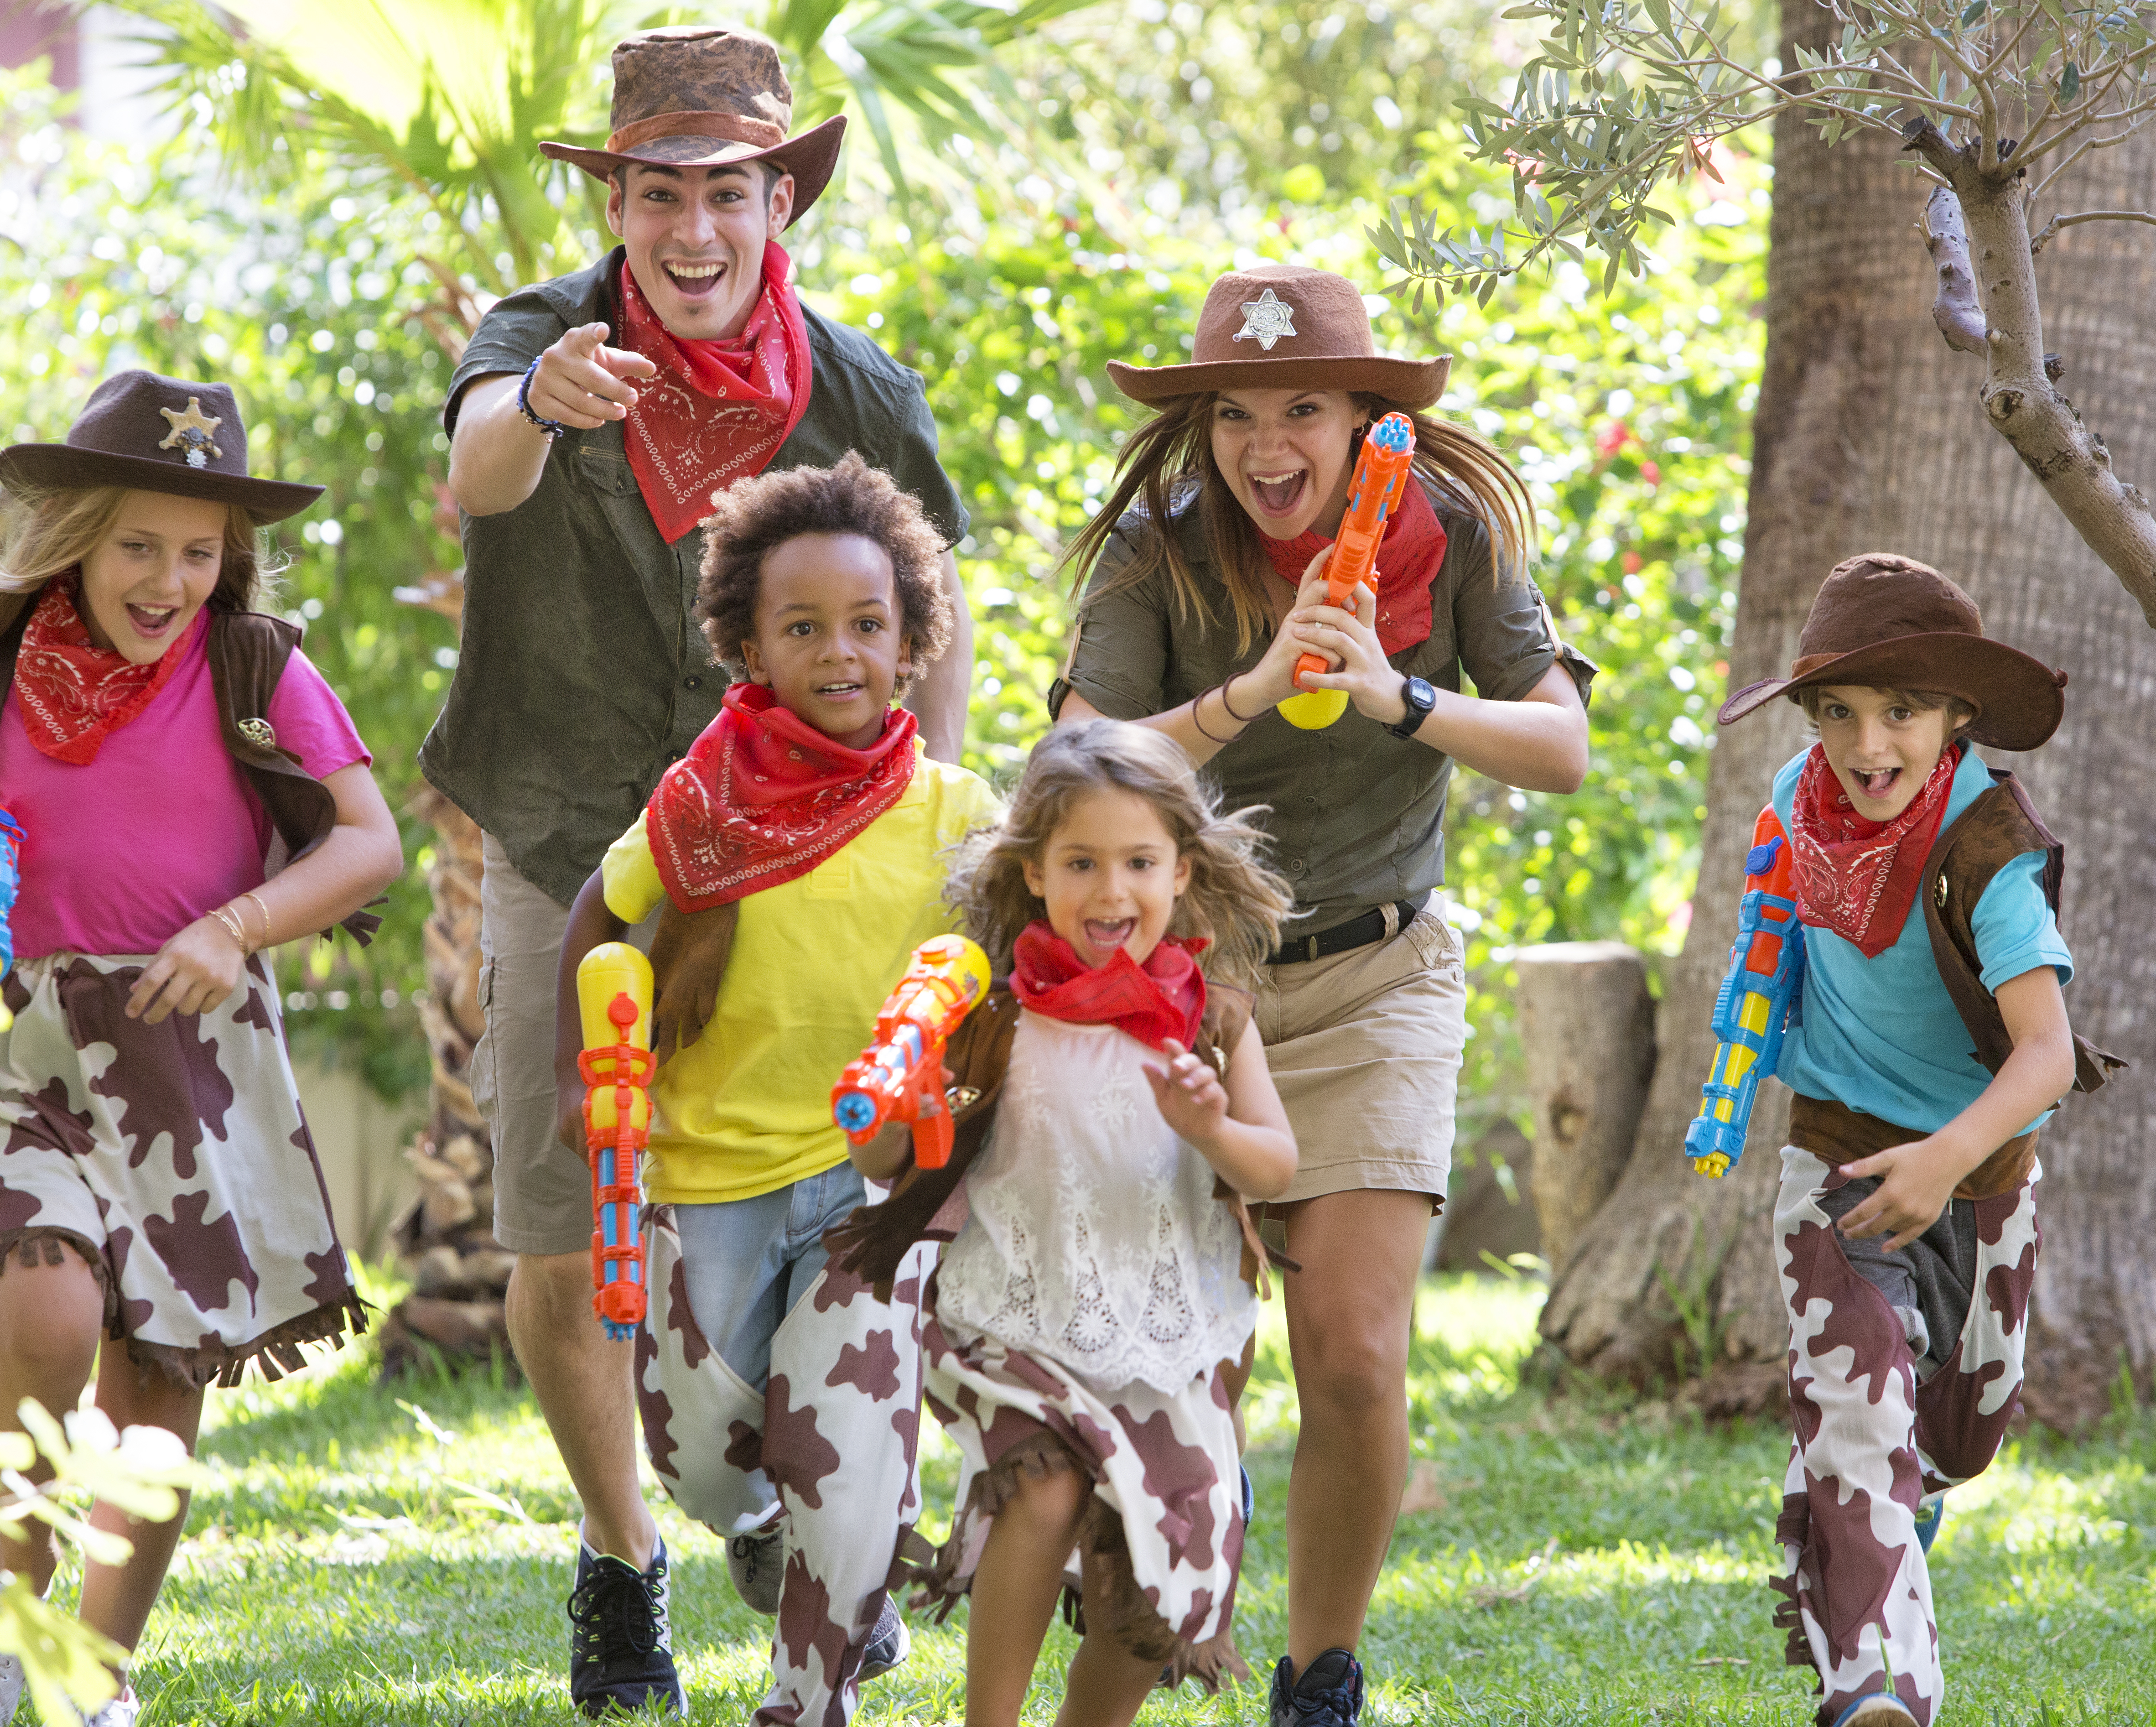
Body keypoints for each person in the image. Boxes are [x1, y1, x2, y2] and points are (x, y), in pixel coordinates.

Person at [427, 22, 976, 1714]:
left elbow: (931, 597)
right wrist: (540, 399)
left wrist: (933, 812)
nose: (690, 228)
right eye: (658, 191)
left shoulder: (854, 381)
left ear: (770, 198)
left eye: (724, 191)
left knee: (826, 1190)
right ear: (620, 198)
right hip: (566, 830)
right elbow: (475, 470)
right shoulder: (541, 337)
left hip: (812, 843)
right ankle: (623, 1556)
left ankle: (786, 1511)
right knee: (560, 1223)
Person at [1051, 263, 1593, 1725]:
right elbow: (1073, 771)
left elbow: (1560, 748)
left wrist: (1398, 696)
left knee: (1350, 1355)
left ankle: (1318, 1677)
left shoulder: (1454, 533)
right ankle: (1133, 1601)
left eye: (1303, 408)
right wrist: (1247, 691)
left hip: (1375, 972)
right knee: (1154, 1360)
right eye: (1236, 414)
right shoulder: (1158, 556)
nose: (1266, 444)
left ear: (1366, 418)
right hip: (1174, 987)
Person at [0, 371, 402, 1727]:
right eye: (138, 546)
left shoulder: (256, 669)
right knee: (47, 1310)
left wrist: (238, 927)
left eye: (199, 551)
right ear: (79, 540)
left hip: (192, 1045)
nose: (169, 580)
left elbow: (367, 841)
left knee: (162, 1364)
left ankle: (95, 1680)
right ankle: (10, 1595)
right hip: (16, 1041)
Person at [550, 454, 1000, 1727]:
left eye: (868, 624)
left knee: (846, 1465)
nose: (839, 652)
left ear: (913, 639)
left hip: (878, 1186)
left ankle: (811, 1692)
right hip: (709, 1176)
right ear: (746, 641)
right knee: (698, 1458)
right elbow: (598, 917)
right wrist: (591, 1070)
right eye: (802, 627)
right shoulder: (698, 801)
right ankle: (754, 1529)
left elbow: (1015, 960)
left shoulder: (954, 813)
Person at [1714, 553, 2116, 1727]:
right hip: (1837, 1152)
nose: (1864, 741)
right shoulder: (1795, 802)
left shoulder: (1991, 849)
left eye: (1900, 710)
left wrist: (1947, 1164)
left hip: (1984, 1164)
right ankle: (1878, 1687)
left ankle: (1861, 1501)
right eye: (1837, 711)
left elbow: (2045, 1055)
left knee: (1959, 1433)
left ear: (1955, 719)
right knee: (1860, 1408)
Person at [831, 719, 1297, 1726]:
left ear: (1182, 872)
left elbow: (1276, 1163)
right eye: (1080, 862)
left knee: (1161, 1579)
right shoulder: (989, 1013)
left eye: (1139, 862)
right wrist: (898, 1098)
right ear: (1033, 873)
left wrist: (1212, 1127)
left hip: (1170, 1335)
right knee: (1039, 1495)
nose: (1111, 891)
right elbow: (883, 1161)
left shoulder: (1212, 1015)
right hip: (1016, 1317)